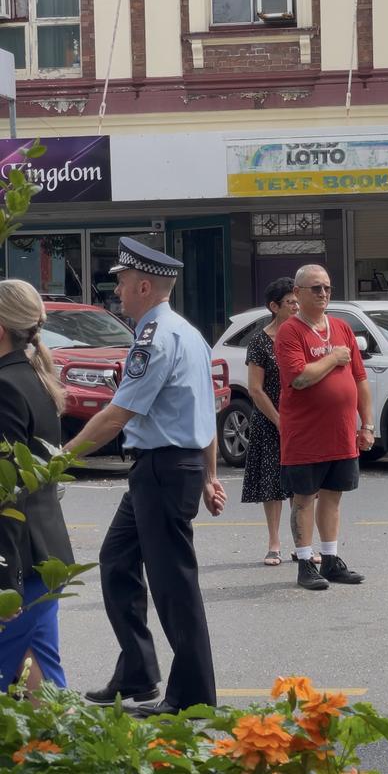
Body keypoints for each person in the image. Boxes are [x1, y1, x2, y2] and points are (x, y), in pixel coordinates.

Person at [63, 237, 227, 716]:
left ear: (143, 285)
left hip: (162, 468)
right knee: (116, 562)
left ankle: (193, 696)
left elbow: (117, 414)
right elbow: (207, 410)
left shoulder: (157, 337)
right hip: (166, 468)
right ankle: (138, 671)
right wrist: (210, 474)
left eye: (120, 283)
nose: (117, 291)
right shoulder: (187, 332)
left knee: (174, 584)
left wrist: (60, 458)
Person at [274, 264, 373, 591]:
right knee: (304, 498)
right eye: (315, 288)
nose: (323, 293)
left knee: (333, 496)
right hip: (304, 436)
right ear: (298, 294)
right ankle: (305, 562)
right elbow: (299, 378)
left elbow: (360, 379)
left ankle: (330, 559)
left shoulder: (342, 327)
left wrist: (367, 424)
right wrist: (333, 358)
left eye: (327, 288)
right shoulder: (290, 331)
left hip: (341, 435)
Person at [0, 280, 73, 695]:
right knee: (38, 681)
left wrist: (3, 579)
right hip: (44, 556)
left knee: (30, 678)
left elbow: (7, 491)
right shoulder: (34, 379)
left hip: (20, 561)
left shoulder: (6, 387)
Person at [242, 277, 301, 565]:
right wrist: (279, 421)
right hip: (270, 420)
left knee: (302, 483)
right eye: (290, 301)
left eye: (296, 301)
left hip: (302, 421)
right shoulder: (259, 341)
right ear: (274, 306)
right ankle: (274, 543)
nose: (295, 306)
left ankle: (303, 544)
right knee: (272, 483)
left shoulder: (304, 334)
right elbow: (255, 389)